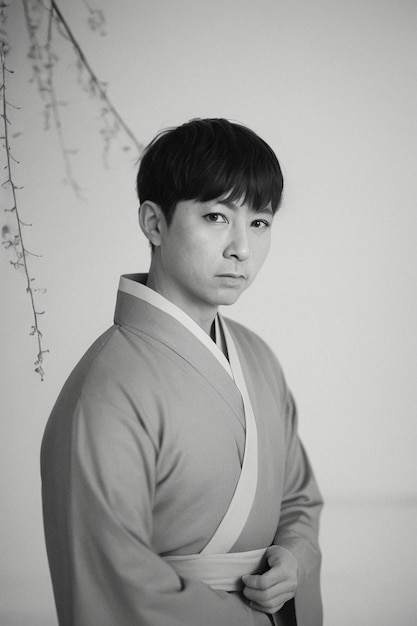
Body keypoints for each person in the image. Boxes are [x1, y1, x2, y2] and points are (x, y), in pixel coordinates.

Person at [41, 118, 323, 626]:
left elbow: (297, 498)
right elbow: (113, 577)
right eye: (217, 217)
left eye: (259, 223)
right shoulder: (108, 387)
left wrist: (296, 559)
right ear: (154, 223)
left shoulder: (257, 358)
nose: (241, 247)